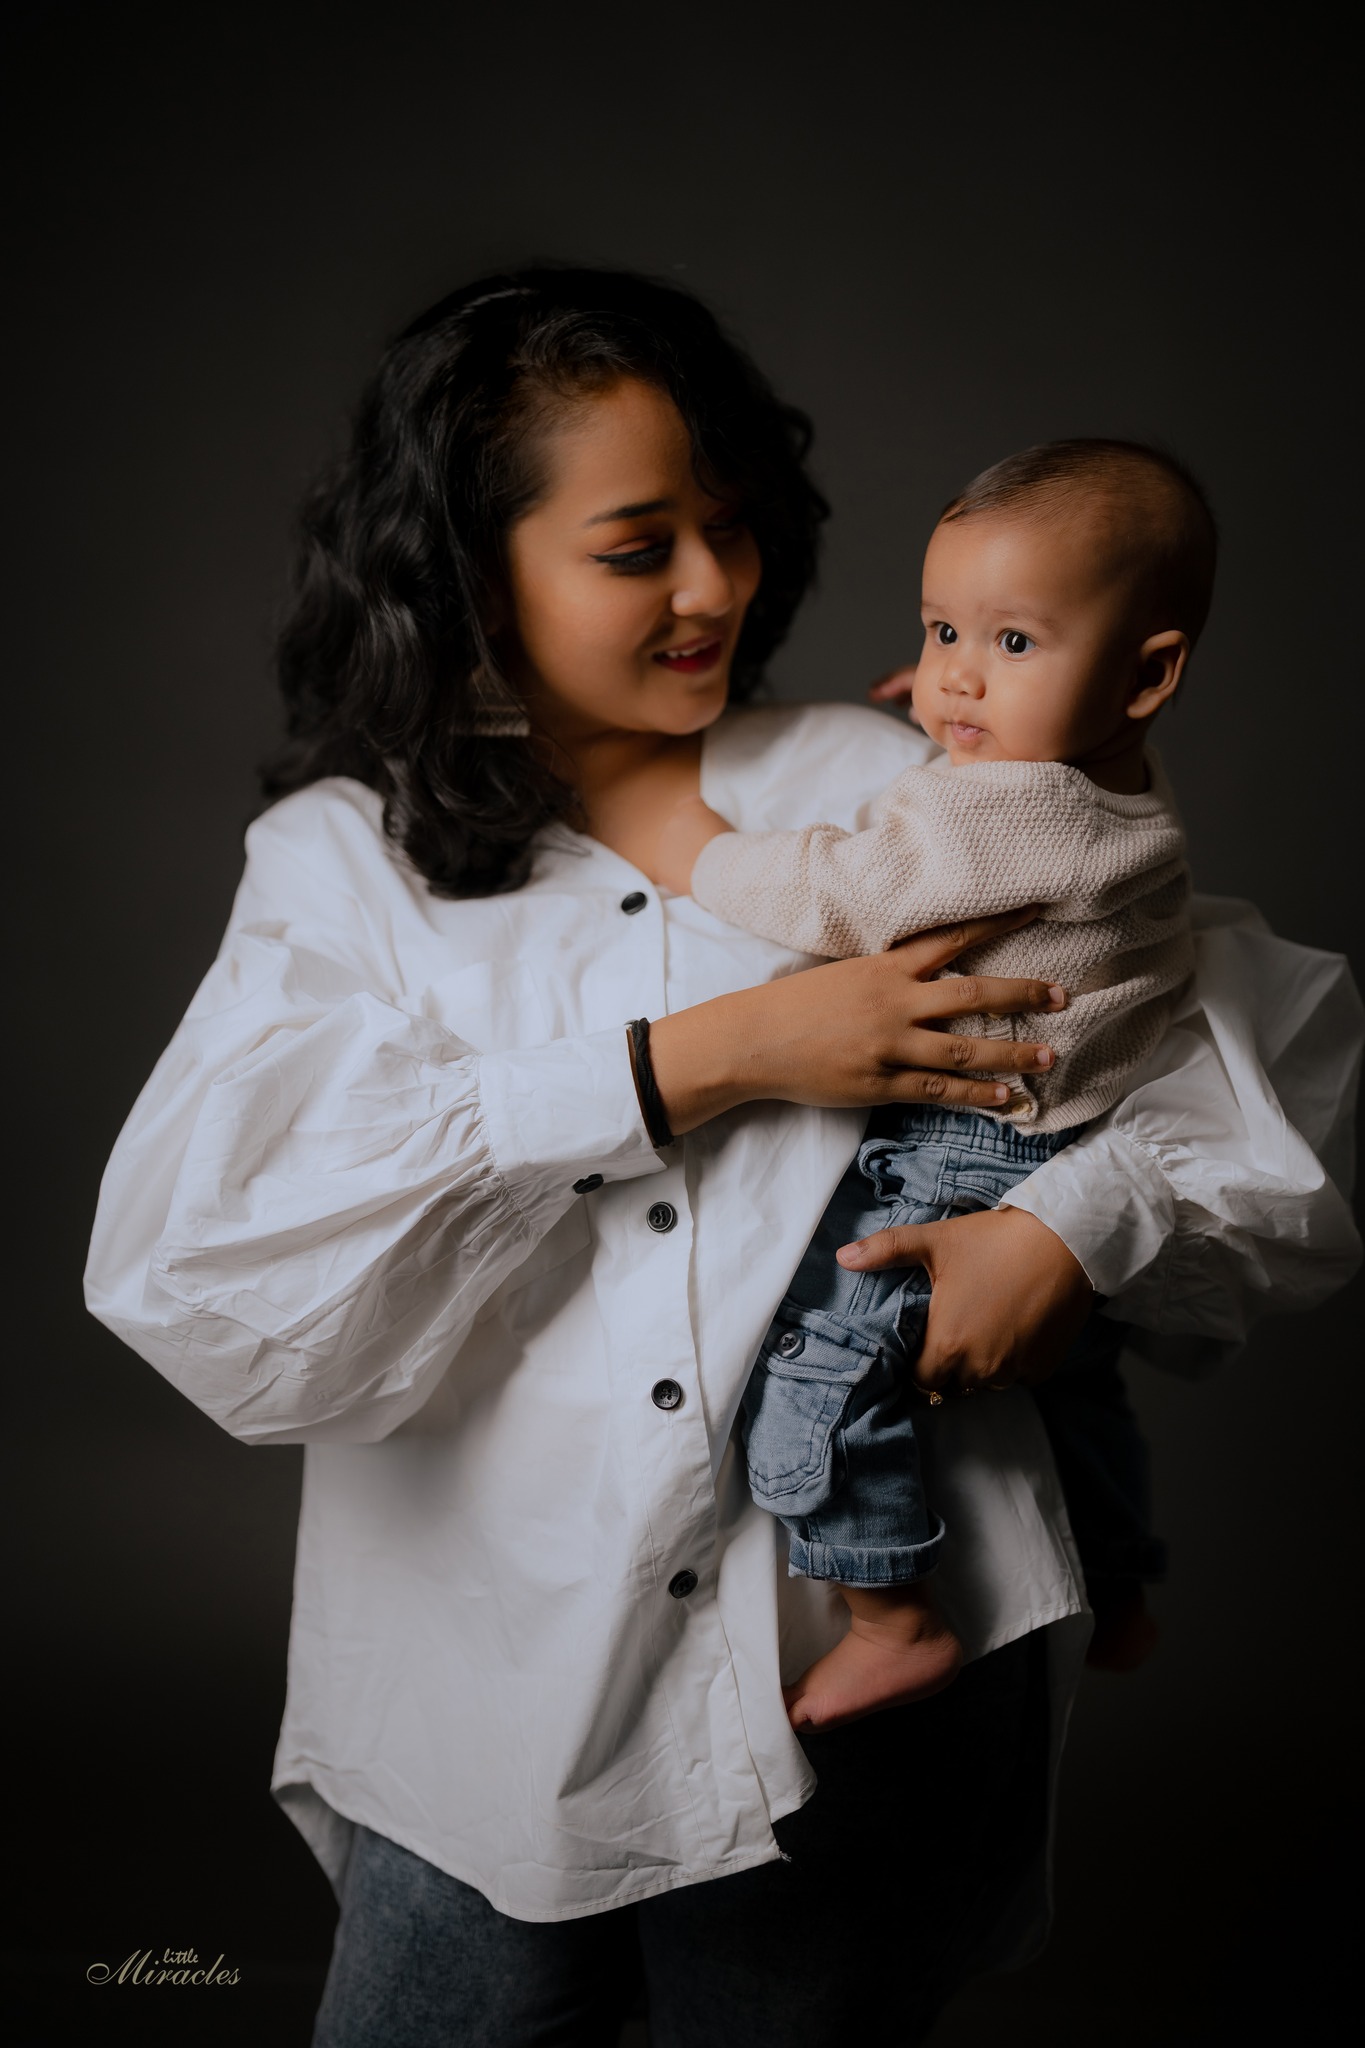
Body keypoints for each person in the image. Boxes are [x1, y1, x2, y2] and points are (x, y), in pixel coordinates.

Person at [83, 268, 1361, 2047]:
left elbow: (1216, 1072)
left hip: (854, 1681)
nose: (716, 587)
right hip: (492, 1686)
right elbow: (207, 1264)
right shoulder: (339, 866)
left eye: (732, 525)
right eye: (637, 548)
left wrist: (1071, 1226)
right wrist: (704, 1059)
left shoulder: (891, 782)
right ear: (468, 572)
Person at [656, 437, 1210, 1730]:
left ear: (1144, 675)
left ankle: (891, 1615)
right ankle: (1120, 1579)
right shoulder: (1114, 766)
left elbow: (846, 893)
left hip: (970, 1141)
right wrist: (988, 698)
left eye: (1011, 643)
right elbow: (1037, 787)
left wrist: (701, 852)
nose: (958, 672)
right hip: (1078, 1118)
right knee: (1075, 1380)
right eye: (942, 630)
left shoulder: (1001, 810)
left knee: (820, 1351)